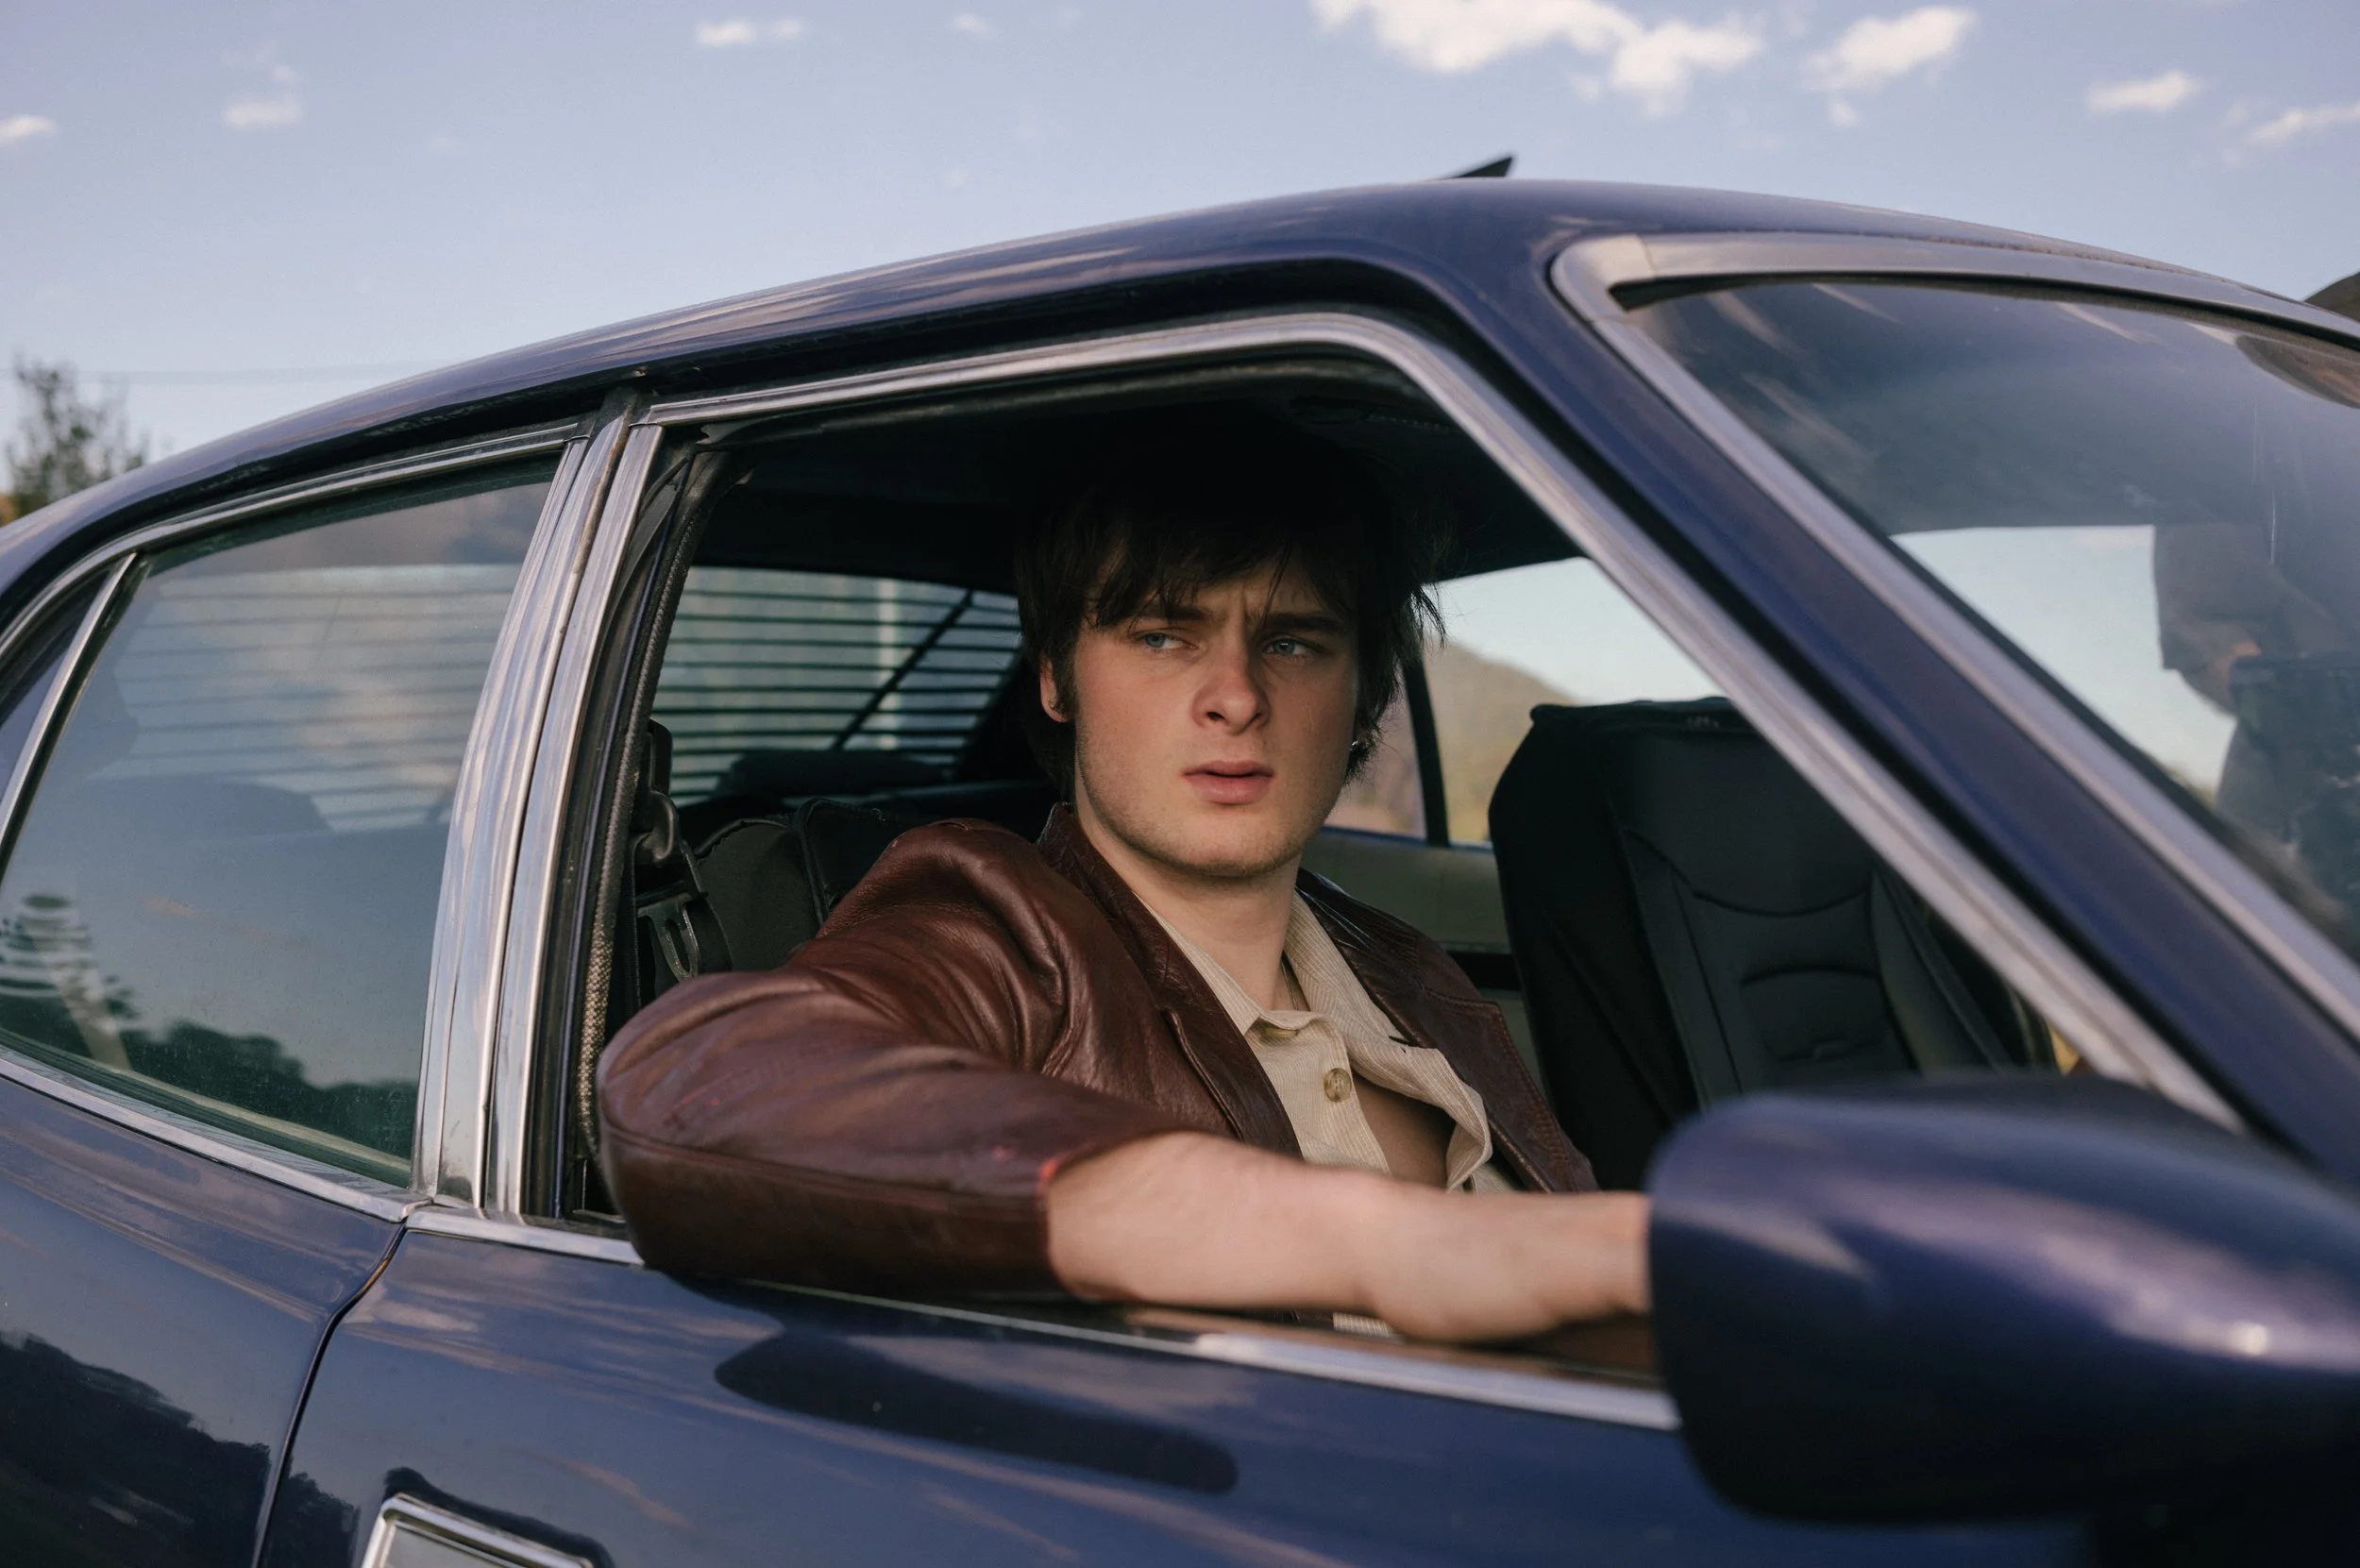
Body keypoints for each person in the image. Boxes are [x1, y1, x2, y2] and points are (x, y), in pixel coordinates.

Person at [597, 422, 1649, 1341]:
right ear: (1056, 676)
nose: (1234, 695)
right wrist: (1380, 1241)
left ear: (1364, 689)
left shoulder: (1402, 965)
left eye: (1292, 640)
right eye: (1161, 634)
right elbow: (698, 1087)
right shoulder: (994, 923)